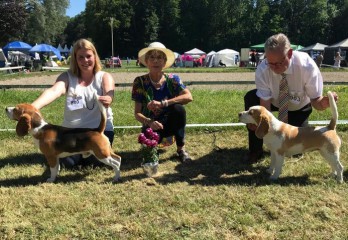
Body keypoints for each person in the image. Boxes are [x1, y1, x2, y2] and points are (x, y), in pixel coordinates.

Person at [243, 33, 338, 163]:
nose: (275, 68)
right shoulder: (262, 69)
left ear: (290, 54)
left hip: (299, 107)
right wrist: (259, 123)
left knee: (293, 151)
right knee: (251, 98)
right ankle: (256, 150)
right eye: (271, 63)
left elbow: (316, 101)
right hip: (275, 101)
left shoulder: (307, 66)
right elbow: (265, 108)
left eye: (279, 62)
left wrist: (324, 103)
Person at [32, 38, 115, 167]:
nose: (85, 61)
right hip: (71, 134)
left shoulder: (104, 76)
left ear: (95, 56)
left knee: (97, 162)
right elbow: (55, 91)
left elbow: (110, 92)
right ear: (75, 59)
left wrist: (109, 98)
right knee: (67, 164)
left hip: (99, 132)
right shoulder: (67, 77)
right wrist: (33, 107)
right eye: (80, 57)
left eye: (88, 56)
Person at [131, 42, 193, 163]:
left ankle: (181, 149)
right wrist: (150, 122)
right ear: (146, 62)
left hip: (169, 123)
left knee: (179, 109)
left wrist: (163, 103)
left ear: (164, 62)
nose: (156, 61)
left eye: (159, 58)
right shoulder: (140, 82)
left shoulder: (173, 79)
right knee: (149, 155)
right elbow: (137, 113)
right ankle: (152, 149)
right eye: (152, 58)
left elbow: (189, 96)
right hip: (151, 126)